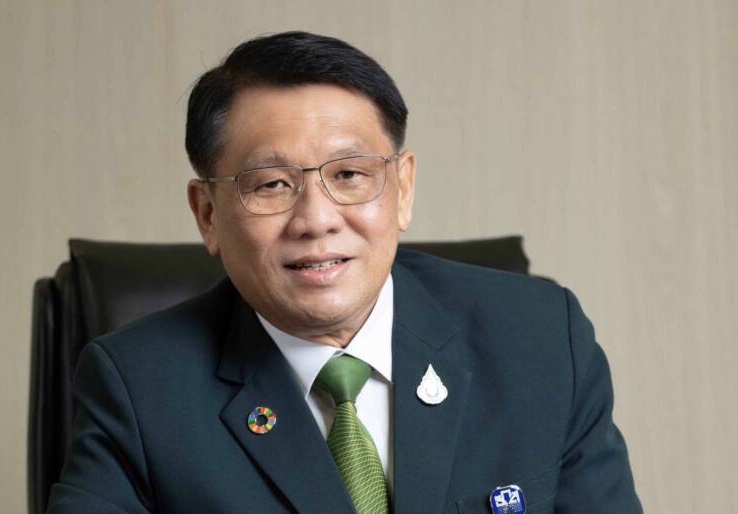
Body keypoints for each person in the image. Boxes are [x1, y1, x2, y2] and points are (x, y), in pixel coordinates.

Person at [46, 31, 642, 514]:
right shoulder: (140, 390)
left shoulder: (542, 340)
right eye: (271, 184)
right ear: (207, 214)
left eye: (349, 175)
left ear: (403, 188)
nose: (317, 219)